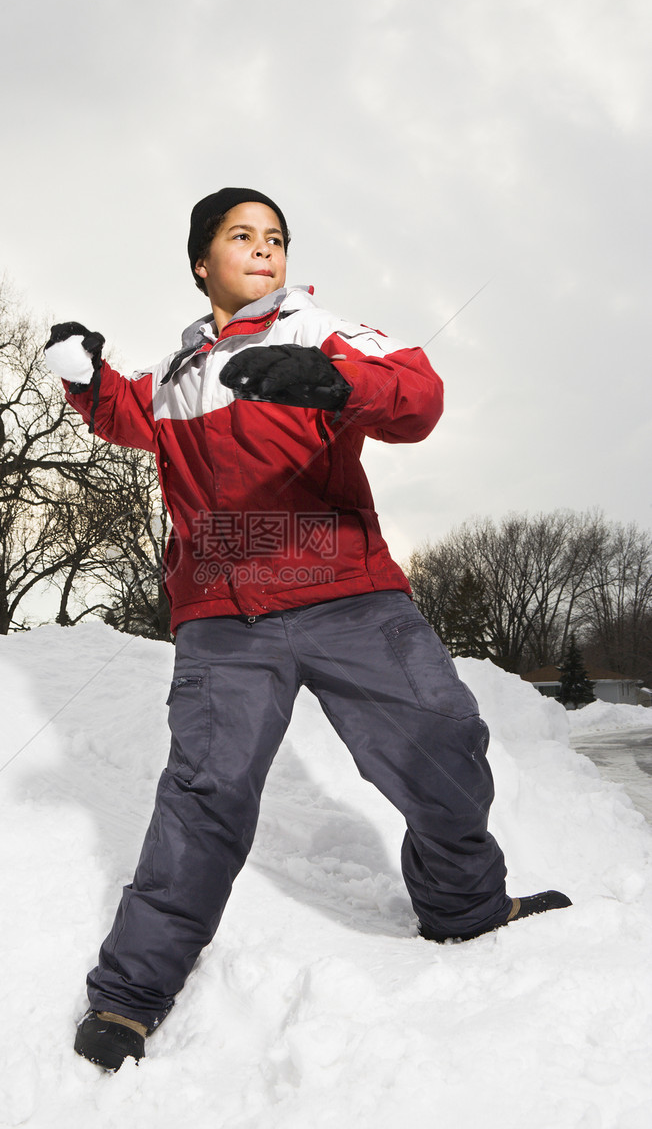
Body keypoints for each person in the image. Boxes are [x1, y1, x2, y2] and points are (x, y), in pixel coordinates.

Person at [45, 187, 570, 1072]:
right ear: (201, 263)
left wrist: (336, 386)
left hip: (346, 593)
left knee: (445, 744)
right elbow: (123, 414)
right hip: (224, 619)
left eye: (276, 238)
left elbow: (418, 394)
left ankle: (465, 904)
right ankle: (131, 996)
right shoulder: (176, 377)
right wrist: (84, 374)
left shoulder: (316, 330)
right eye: (241, 236)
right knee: (204, 793)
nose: (264, 249)